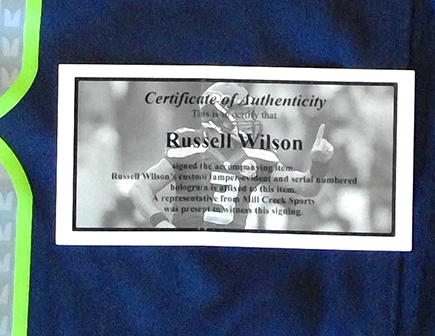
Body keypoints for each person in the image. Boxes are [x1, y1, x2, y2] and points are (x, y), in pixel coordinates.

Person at [129, 83, 334, 230]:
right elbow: (140, 188)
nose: (249, 119)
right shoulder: (188, 144)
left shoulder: (258, 152)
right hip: (190, 247)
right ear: (217, 115)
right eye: (241, 113)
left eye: (248, 113)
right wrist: (160, 222)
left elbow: (307, 187)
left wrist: (318, 164)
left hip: (231, 252)